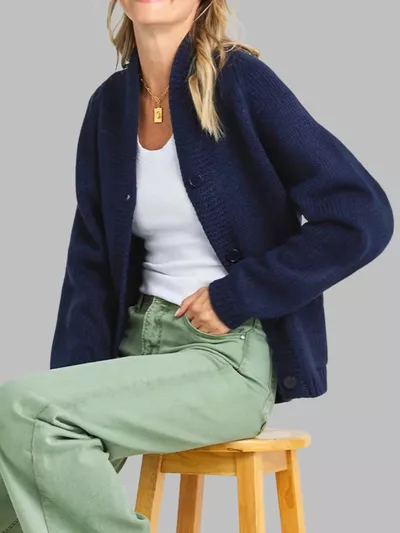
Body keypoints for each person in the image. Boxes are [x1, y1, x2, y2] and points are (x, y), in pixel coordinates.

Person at [0, 1, 393, 532]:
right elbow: (90, 270)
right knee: (15, 445)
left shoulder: (241, 84)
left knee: (21, 411)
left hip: (226, 357)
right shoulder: (109, 107)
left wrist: (237, 295)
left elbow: (361, 214)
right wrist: (64, 394)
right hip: (134, 348)